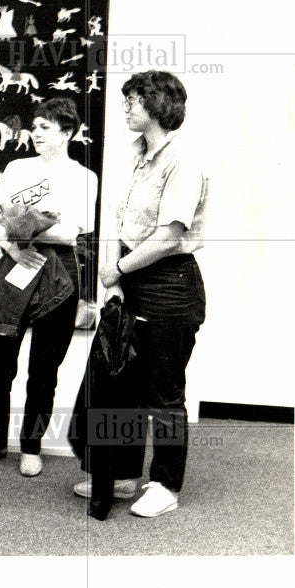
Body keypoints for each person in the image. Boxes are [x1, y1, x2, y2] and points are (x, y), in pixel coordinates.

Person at [77, 70, 208, 517]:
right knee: (121, 381)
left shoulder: (182, 163)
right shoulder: (133, 158)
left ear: (156, 106)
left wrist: (118, 269)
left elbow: (170, 236)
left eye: (132, 101)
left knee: (164, 392)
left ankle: (166, 486)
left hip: (170, 287)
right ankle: (122, 474)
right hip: (130, 278)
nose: (126, 107)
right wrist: (112, 280)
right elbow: (115, 222)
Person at [0, 97, 98, 477]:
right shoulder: (17, 168)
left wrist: (22, 227)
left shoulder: (84, 177)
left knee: (44, 369)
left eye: (45, 127)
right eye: (33, 126)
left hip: (60, 272)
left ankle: (31, 447)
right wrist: (16, 248)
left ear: (67, 132)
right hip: (16, 264)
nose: (35, 133)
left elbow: (72, 233)